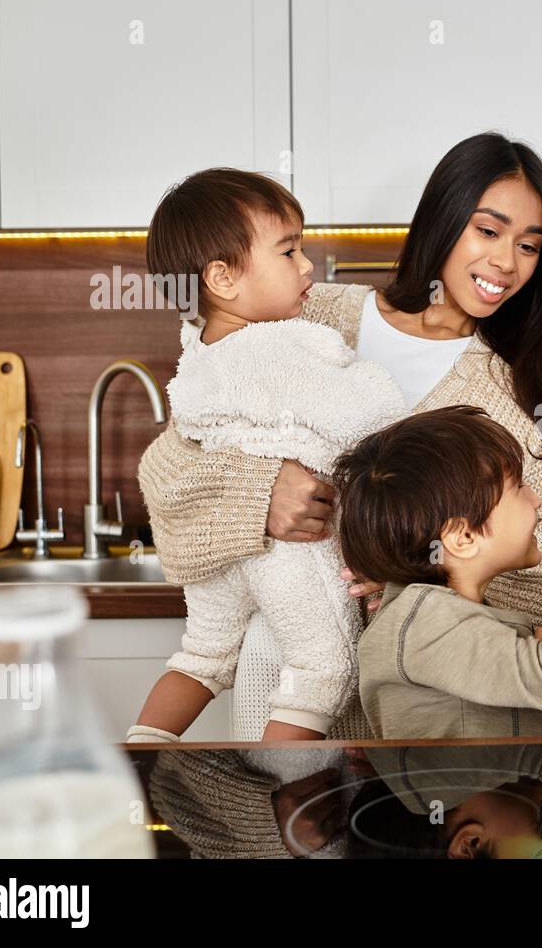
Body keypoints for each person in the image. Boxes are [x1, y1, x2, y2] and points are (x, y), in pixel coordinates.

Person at [128, 168, 406, 744]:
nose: (307, 267)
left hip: (221, 554)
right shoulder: (281, 345)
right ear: (223, 278)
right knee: (323, 670)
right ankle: (281, 781)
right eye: (288, 251)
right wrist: (385, 400)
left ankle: (142, 749)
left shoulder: (199, 351)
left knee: (204, 654)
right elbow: (368, 421)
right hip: (290, 552)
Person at [334, 406, 542, 739]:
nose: (536, 501)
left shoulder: (440, 618)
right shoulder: (430, 626)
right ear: (464, 538)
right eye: (519, 488)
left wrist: (539, 654)